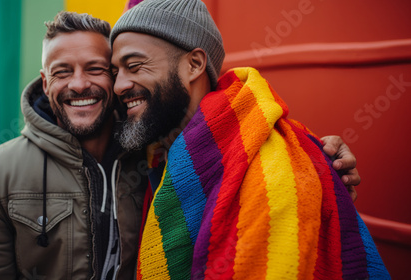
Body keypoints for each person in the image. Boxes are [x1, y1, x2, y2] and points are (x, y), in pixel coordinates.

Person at [110, 0, 389, 279]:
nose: (119, 86)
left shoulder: (276, 167)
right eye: (114, 72)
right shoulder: (156, 141)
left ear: (194, 65)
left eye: (134, 66)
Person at [0, 12, 146, 279]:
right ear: (45, 82)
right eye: (62, 72)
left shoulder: (152, 157)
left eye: (95, 69)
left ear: (114, 76)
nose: (79, 84)